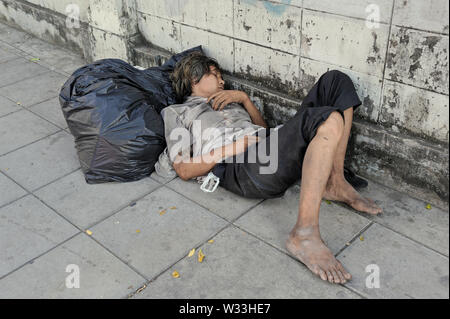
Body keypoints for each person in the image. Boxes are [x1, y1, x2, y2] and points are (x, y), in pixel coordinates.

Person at [155, 52, 382, 284]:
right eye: (215, 75)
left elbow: (262, 130)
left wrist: (244, 99)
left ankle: (335, 181)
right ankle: (303, 234)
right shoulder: (178, 113)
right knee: (328, 119)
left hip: (267, 152)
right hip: (242, 167)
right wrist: (234, 147)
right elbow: (183, 168)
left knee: (335, 81)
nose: (222, 81)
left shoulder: (230, 100)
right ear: (194, 79)